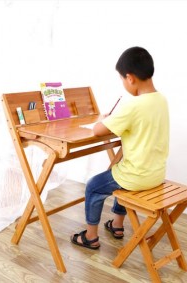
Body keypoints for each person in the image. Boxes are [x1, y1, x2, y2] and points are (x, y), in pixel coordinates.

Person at [70, 46, 169, 249]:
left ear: (130, 78)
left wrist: (105, 119)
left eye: (121, 79)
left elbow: (98, 130)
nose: (123, 83)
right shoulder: (161, 100)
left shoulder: (133, 105)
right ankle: (117, 225)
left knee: (94, 186)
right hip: (156, 174)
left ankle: (90, 237)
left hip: (137, 177)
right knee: (120, 171)